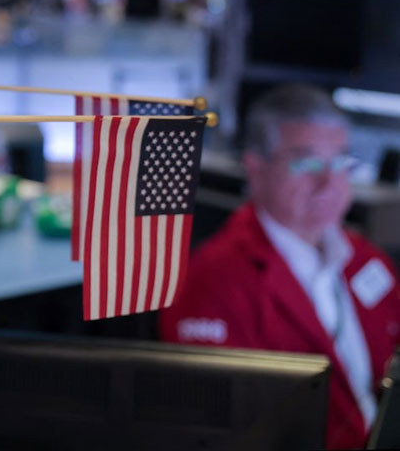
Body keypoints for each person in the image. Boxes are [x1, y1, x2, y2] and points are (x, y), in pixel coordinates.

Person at [159, 84, 400, 449]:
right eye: (307, 163)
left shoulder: (369, 261)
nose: (329, 183)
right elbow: (220, 430)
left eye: (340, 162)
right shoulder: (211, 281)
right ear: (255, 168)